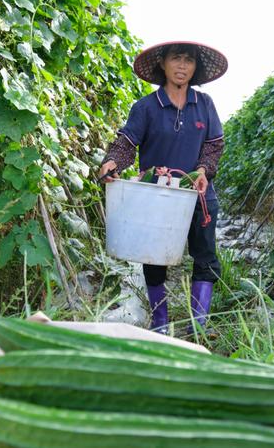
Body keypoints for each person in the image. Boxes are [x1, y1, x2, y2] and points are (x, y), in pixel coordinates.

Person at [98, 41, 228, 335]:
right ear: (163, 64)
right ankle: (160, 325)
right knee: (154, 259)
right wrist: (111, 162)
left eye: (189, 60)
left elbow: (214, 145)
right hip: (157, 197)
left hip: (197, 195)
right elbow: (126, 143)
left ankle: (199, 327)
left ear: (195, 68)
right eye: (176, 58)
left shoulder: (204, 105)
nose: (182, 66)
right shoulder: (145, 108)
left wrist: (204, 170)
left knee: (205, 257)